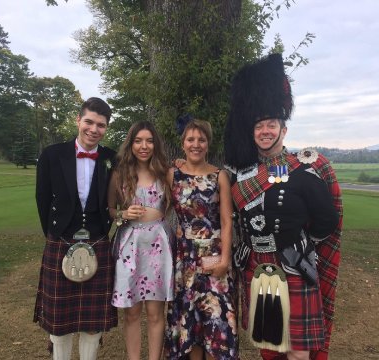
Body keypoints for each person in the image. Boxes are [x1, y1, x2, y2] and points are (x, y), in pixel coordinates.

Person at [223, 53, 343, 360]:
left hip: (294, 265)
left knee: (298, 353)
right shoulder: (241, 175)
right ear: (252, 132)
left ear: (283, 129)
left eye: (272, 124)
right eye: (260, 125)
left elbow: (327, 220)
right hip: (259, 267)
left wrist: (304, 244)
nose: (265, 130)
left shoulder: (302, 167)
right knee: (271, 349)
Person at [34, 97, 118, 360]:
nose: (94, 129)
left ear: (106, 128)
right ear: (78, 120)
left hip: (98, 241)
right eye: (89, 122)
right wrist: (54, 235)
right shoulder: (52, 154)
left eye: (101, 125)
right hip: (61, 240)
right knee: (60, 323)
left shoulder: (111, 158)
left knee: (93, 325)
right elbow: (42, 198)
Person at [164, 117, 239, 360]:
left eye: (201, 140)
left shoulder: (220, 176)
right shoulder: (172, 174)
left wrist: (225, 260)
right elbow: (158, 208)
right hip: (184, 261)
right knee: (191, 325)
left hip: (215, 258)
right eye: (191, 139)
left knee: (218, 324)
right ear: (183, 143)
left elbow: (227, 221)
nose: (196, 144)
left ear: (208, 144)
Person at [107, 121, 174, 360]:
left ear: (155, 143)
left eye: (149, 140)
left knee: (156, 314)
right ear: (130, 144)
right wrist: (123, 214)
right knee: (132, 314)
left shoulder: (166, 172)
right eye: (138, 141)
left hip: (158, 246)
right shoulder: (119, 174)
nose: (144, 146)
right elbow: (110, 209)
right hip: (130, 247)